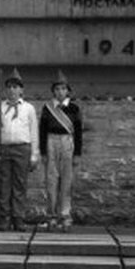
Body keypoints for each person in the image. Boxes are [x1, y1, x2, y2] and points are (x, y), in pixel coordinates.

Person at [39, 70, 82, 232]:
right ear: (53, 91)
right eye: (57, 89)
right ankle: (51, 215)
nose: (60, 92)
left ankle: (64, 215)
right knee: (51, 181)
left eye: (63, 89)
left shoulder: (74, 108)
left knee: (66, 181)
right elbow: (42, 130)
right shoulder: (47, 108)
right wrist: (43, 151)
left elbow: (78, 132)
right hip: (51, 141)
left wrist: (77, 153)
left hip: (67, 142)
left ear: (68, 91)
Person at [0, 68, 39, 232]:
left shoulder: (28, 109)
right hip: (4, 149)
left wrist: (34, 155)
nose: (12, 90)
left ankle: (18, 217)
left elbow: (33, 132)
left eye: (15, 87)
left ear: (21, 90)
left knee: (20, 184)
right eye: (9, 87)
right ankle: (5, 217)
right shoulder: (0, 108)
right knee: (4, 184)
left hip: (22, 149)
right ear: (5, 90)